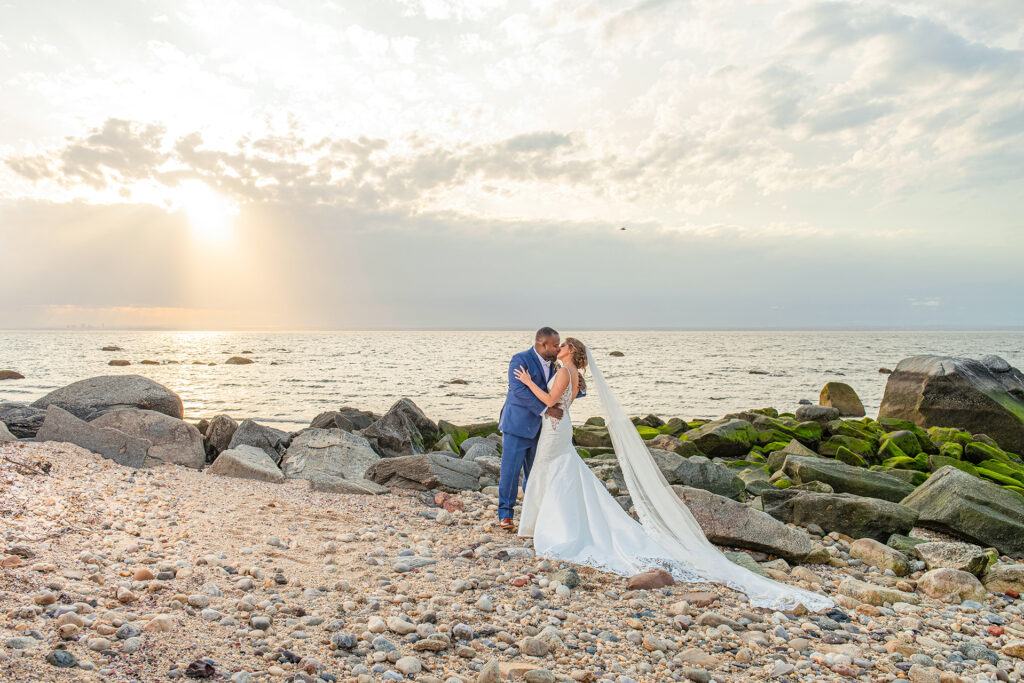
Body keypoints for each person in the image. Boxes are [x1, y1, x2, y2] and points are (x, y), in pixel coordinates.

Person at [510, 336, 833, 612]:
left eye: (562, 344)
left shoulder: (565, 371)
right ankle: (550, 521)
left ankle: (557, 527)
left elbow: (552, 400)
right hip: (556, 427)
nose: (558, 347)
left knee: (555, 470)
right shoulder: (567, 371)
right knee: (558, 471)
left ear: (571, 351)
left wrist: (527, 383)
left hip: (555, 427)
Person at [496, 327, 582, 532]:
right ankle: (506, 514)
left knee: (536, 473)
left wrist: (579, 386)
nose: (557, 348)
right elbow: (518, 391)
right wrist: (546, 409)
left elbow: (560, 390)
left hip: (543, 430)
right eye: (554, 345)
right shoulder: (520, 359)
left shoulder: (557, 366)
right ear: (542, 344)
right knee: (510, 470)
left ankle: (534, 515)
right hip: (517, 424)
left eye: (560, 345)